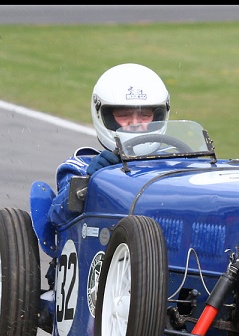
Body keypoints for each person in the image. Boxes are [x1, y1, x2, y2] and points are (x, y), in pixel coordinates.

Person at [47, 63, 171, 227]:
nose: (135, 123)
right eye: (124, 115)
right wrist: (89, 181)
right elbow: (56, 217)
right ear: (104, 115)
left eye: (144, 115)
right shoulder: (80, 167)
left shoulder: (173, 163)